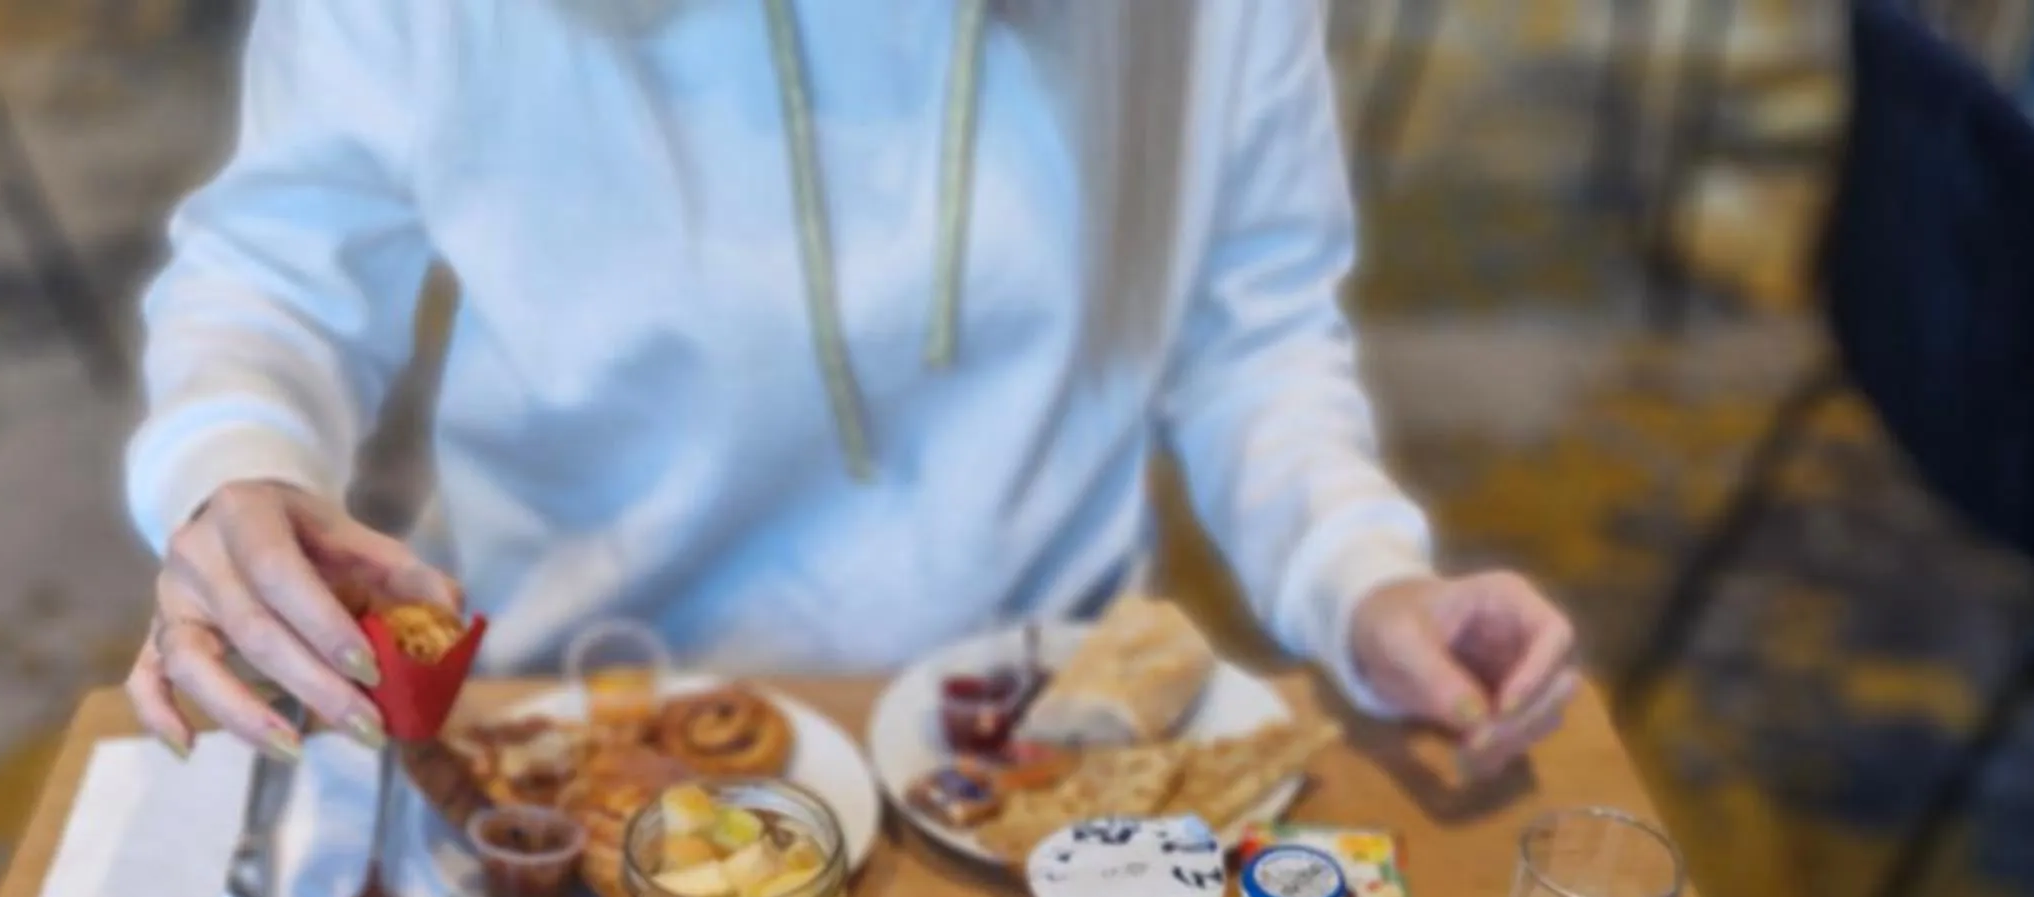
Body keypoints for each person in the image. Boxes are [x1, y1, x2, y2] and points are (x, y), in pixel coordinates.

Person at [123, 0, 1579, 773]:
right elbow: (269, 275)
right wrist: (234, 462)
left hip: (1023, 743)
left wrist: (1361, 576)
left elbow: (1248, 326)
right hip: (562, 719)